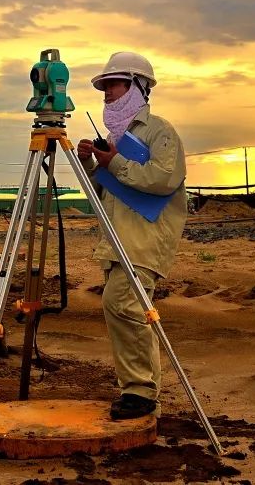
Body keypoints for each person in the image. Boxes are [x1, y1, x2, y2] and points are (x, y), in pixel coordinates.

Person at [76, 51, 187, 420]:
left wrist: (115, 162)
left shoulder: (160, 131)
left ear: (138, 86)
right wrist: (94, 164)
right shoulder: (115, 137)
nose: (107, 93)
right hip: (117, 240)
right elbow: (107, 196)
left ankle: (140, 392)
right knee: (122, 307)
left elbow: (162, 180)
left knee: (123, 305)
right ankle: (136, 388)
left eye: (114, 85)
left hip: (144, 240)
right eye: (105, 87)